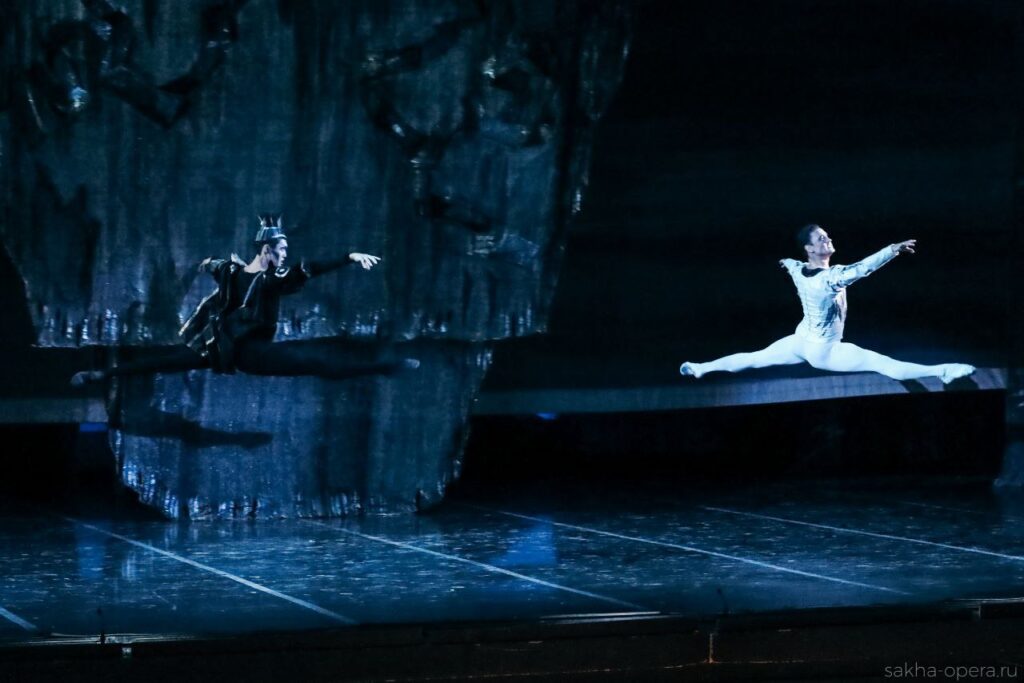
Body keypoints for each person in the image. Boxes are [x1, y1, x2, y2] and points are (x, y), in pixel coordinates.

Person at [72, 214, 417, 385]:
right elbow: (211, 264)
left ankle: (384, 366)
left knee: (316, 361)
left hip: (240, 351)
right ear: (266, 250)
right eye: (281, 250)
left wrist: (348, 257)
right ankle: (100, 374)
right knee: (166, 361)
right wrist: (200, 266)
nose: (285, 255)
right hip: (233, 350)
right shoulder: (243, 274)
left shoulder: (267, 278)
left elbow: (307, 269)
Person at [678, 224, 975, 384]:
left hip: (800, 340)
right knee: (882, 364)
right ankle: (943, 371)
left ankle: (701, 367)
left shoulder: (799, 269)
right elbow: (862, 269)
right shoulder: (830, 278)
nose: (827, 240)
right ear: (809, 248)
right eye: (821, 239)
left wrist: (785, 261)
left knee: (754, 358)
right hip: (823, 350)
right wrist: (892, 250)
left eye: (827, 236)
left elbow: (790, 264)